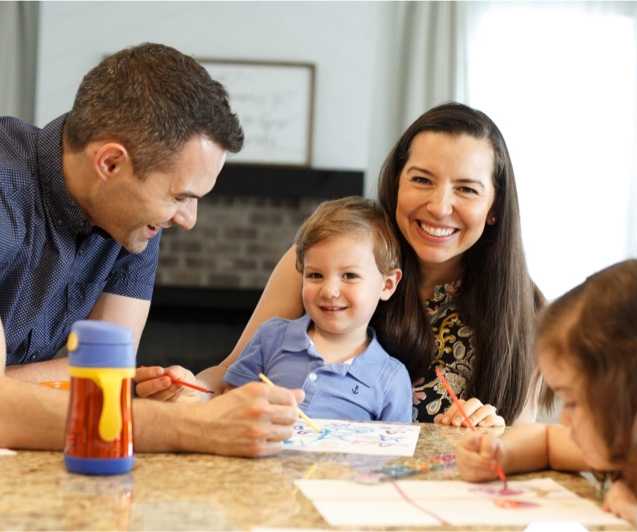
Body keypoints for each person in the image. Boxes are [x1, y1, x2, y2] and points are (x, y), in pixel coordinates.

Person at [138, 102, 540, 427]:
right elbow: (230, 375)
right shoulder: (322, 259)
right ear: (396, 182)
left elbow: (523, 440)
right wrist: (191, 387)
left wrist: (494, 428)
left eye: (467, 189)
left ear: (494, 208)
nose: (439, 206)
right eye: (421, 180)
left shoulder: (527, 309)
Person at [0, 42, 302, 456]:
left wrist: (15, 391)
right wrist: (188, 426)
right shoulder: (5, 187)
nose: (188, 219)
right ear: (109, 163)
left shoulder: (131, 218)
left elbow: (106, 369)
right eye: (180, 196)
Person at [454, 257, 637, 530]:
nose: (564, 419)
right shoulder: (634, 450)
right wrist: (501, 455)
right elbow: (547, 441)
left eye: (573, 402)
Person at [221, 197, 412, 422]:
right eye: (315, 275)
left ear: (387, 285)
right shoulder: (271, 337)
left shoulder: (391, 378)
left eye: (349, 276)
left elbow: (396, 453)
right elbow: (230, 400)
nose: (329, 291)